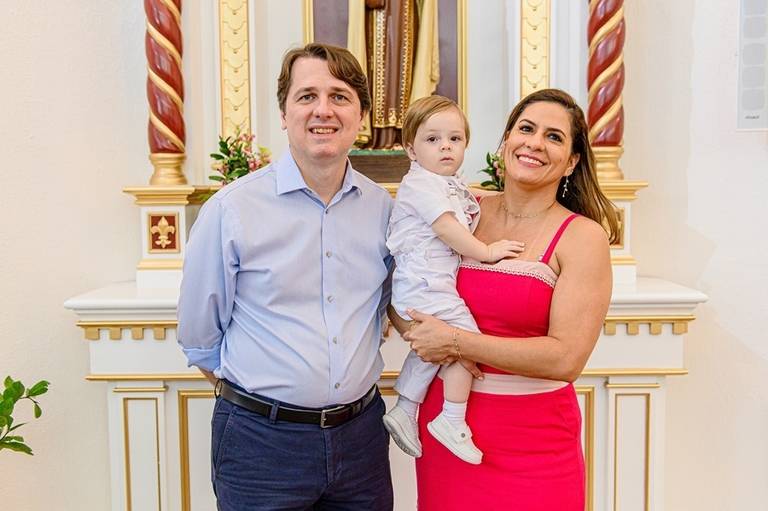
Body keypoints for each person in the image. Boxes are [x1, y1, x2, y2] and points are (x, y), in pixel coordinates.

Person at [177, 42, 394, 510]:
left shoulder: (384, 210)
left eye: (339, 97)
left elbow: (387, 306)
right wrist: (270, 404)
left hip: (361, 442)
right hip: (261, 445)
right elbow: (199, 336)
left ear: (361, 116)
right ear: (283, 113)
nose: (323, 110)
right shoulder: (232, 210)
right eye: (307, 96)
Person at [390, 88, 619, 510]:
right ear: (506, 140)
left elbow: (566, 359)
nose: (535, 143)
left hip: (534, 445)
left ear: (571, 161)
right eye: (526, 129)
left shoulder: (583, 237)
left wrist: (455, 342)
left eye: (554, 137)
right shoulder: (461, 210)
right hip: (447, 432)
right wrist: (415, 330)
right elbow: (403, 280)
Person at [382, 95, 523, 465]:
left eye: (455, 138)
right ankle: (452, 418)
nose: (445, 146)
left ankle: (405, 408)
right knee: (466, 342)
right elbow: (446, 227)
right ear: (411, 149)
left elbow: (467, 206)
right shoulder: (422, 185)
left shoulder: (446, 184)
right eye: (433, 139)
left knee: (436, 348)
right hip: (425, 285)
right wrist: (487, 252)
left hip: (427, 285)